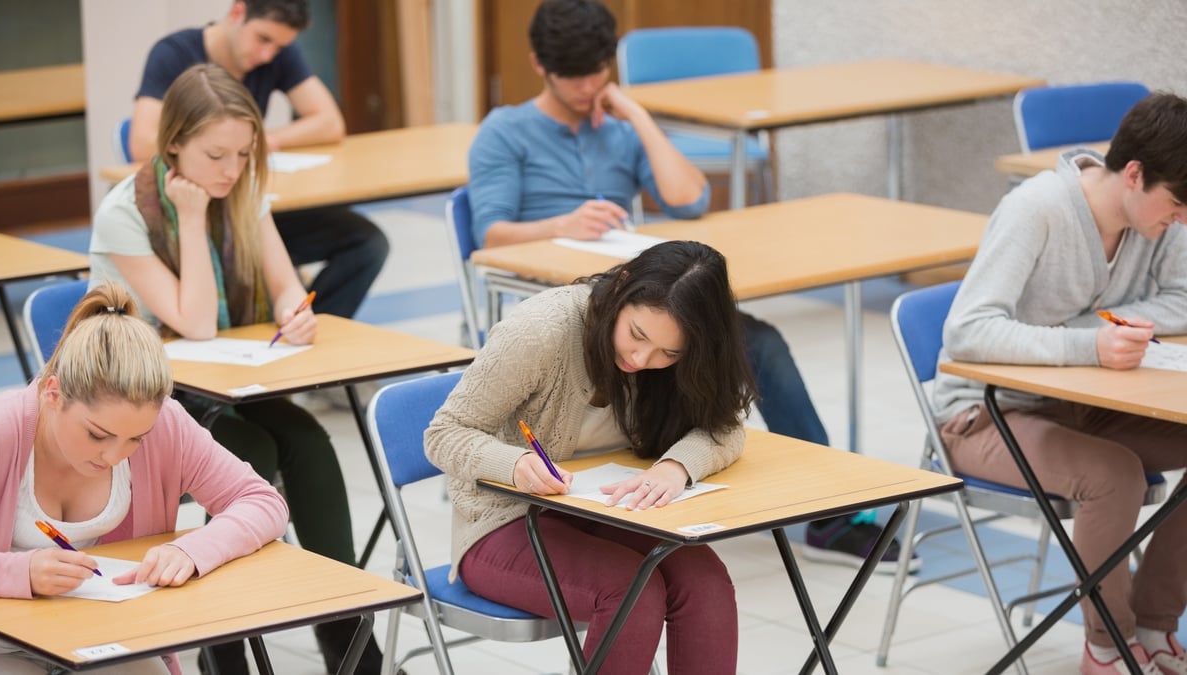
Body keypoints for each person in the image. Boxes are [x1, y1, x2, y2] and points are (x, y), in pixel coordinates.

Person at [468, 0, 918, 574]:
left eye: (597, 74)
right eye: (572, 77)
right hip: (558, 306)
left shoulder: (616, 127)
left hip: (636, 297)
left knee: (760, 342)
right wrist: (560, 225)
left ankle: (828, 518)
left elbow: (691, 199)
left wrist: (636, 114)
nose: (586, 89)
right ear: (540, 66)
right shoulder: (506, 132)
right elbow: (490, 234)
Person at [89, 65, 380, 675]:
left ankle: (349, 642)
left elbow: (283, 287)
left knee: (311, 440)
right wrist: (192, 221)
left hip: (222, 387)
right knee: (252, 453)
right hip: (140, 406)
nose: (231, 169)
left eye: (244, 154)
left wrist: (292, 312)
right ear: (173, 145)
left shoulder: (243, 192)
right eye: (216, 154)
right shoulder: (125, 213)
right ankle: (224, 650)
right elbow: (193, 322)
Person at [933, 92, 1187, 675]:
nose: (1180, 221)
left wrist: (1105, 332)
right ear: (1133, 174)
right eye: (1174, 206)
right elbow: (968, 331)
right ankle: (1108, 647)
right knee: (1112, 476)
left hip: (1084, 402)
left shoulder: (1161, 218)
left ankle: (1153, 625)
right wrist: (1086, 343)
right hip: (982, 414)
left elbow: (1180, 299)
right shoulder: (1038, 209)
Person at [426, 240, 754, 674]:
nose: (641, 358)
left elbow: (725, 425)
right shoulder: (541, 330)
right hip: (504, 522)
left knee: (704, 581)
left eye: (668, 353)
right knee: (631, 591)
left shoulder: (683, 352)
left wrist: (677, 466)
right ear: (621, 289)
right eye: (637, 335)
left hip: (606, 511)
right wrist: (515, 464)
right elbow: (444, 433)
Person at [0, 281, 289, 675]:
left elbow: (262, 501)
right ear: (52, 393)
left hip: (111, 639)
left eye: (135, 438)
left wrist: (191, 551)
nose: (114, 456)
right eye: (97, 434)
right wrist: (18, 573)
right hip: (1, 644)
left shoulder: (166, 425)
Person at [130, 0, 388, 321]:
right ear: (237, 12)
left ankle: (302, 326)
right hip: (193, 208)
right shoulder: (174, 54)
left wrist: (261, 142)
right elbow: (141, 142)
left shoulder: (276, 52)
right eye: (263, 39)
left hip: (247, 201)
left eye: (279, 47)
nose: (268, 55)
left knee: (367, 242)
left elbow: (330, 122)